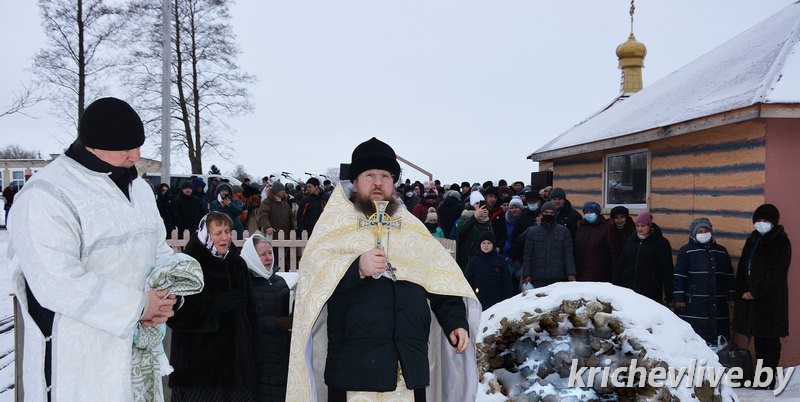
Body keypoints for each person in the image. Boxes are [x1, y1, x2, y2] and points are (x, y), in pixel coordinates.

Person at [7, 97, 177, 400]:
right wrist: (138, 306)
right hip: (77, 362)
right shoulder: (47, 195)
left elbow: (158, 250)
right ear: (91, 145)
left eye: (138, 145)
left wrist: (167, 296)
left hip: (137, 357)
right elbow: (56, 281)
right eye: (125, 148)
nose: (135, 156)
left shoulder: (139, 190)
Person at [287, 137, 480, 402]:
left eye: (385, 175)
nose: (378, 182)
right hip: (355, 372)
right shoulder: (334, 227)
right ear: (355, 183)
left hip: (408, 368)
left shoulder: (410, 227)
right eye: (369, 175)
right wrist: (356, 268)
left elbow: (438, 278)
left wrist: (455, 321)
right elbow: (312, 284)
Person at [167, 212, 256, 400]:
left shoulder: (237, 264)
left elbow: (251, 312)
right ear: (205, 235)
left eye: (227, 231)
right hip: (199, 372)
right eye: (218, 233)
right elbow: (175, 316)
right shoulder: (187, 265)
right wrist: (214, 308)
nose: (225, 237)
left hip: (237, 372)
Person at [733, 204, 791, 390]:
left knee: (770, 340)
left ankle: (768, 378)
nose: (761, 224)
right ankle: (760, 377)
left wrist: (755, 291)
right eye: (758, 220)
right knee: (758, 339)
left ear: (773, 222)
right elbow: (743, 266)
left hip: (771, 301)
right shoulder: (753, 239)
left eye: (765, 221)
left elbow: (777, 274)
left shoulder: (781, 241)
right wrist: (742, 289)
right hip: (752, 302)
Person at [241, 234, 292, 401]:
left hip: (282, 354)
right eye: (262, 255)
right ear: (252, 257)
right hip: (258, 358)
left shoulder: (280, 282)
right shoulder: (244, 284)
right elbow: (244, 320)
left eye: (270, 253)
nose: (268, 258)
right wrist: (276, 323)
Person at [673, 218, 735, 345]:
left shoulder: (721, 251)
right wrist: (679, 298)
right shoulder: (686, 251)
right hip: (694, 302)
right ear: (694, 234)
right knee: (695, 335)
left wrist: (731, 295)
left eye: (705, 230)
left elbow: (728, 275)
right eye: (699, 231)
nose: (703, 233)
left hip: (718, 300)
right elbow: (679, 275)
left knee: (717, 332)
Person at [614, 212, 674, 304]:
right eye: (637, 226)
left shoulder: (661, 243)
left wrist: (669, 292)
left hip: (650, 289)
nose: (639, 229)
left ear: (649, 226)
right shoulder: (631, 240)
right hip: (628, 288)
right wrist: (616, 284)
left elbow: (667, 268)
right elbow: (621, 263)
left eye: (643, 226)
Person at [521, 202, 577, 288]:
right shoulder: (532, 231)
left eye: (551, 213)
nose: (549, 214)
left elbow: (568, 254)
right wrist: (526, 274)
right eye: (546, 212)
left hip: (557, 276)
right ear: (542, 213)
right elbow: (528, 255)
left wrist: (571, 273)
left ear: (555, 214)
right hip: (538, 276)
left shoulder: (563, 231)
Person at [464, 232, 513, 310]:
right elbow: (467, 280)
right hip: (478, 301)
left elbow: (507, 283)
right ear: (480, 244)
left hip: (496, 301)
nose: (486, 245)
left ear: (493, 244)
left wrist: (506, 301)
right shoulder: (474, 261)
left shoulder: (500, 261)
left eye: (489, 243)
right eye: (483, 243)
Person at [573, 201, 619, 282]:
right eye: (586, 212)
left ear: (597, 213)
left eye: (591, 212)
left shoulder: (607, 228)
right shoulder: (581, 227)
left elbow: (614, 252)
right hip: (581, 273)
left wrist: (615, 273)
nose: (589, 214)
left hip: (600, 274)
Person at [455, 191, 493, 269]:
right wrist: (474, 217)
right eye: (476, 203)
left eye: (481, 203)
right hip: (469, 256)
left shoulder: (486, 218)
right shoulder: (465, 216)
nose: (479, 205)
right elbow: (462, 231)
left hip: (485, 255)